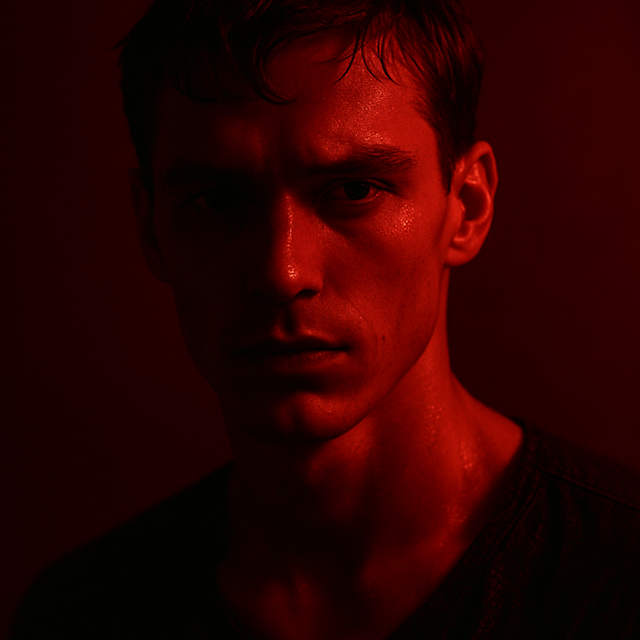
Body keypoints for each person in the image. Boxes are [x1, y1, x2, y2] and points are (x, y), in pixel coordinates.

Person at [11, 0, 640, 638]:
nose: (283, 272)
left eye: (354, 190)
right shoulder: (82, 616)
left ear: (468, 207)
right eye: (217, 201)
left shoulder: (618, 583)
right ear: (150, 227)